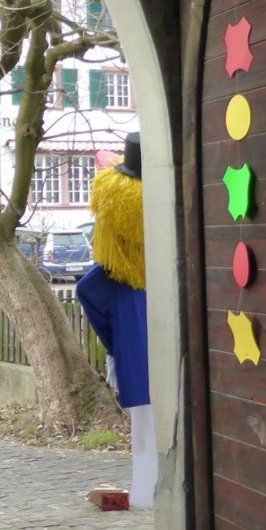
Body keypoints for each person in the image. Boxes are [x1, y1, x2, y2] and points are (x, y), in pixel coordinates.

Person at [74, 131, 156, 509]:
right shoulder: (165, 203)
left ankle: (147, 493)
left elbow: (88, 291)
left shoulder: (113, 199)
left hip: (136, 351)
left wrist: (115, 347)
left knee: (147, 431)